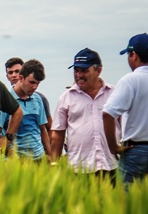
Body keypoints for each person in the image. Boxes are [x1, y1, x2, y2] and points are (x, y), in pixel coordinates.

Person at [50, 48, 120, 181]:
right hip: (79, 167)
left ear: (98, 70)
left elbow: (126, 126)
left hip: (111, 164)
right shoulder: (66, 98)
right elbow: (58, 134)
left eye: (84, 71)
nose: (79, 75)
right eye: (76, 70)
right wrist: (54, 163)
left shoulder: (114, 94)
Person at [103, 33, 148, 184]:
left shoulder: (131, 80)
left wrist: (114, 147)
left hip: (137, 150)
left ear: (134, 55)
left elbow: (108, 114)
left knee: (127, 203)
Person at [0, 59, 49, 160]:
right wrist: (14, 157)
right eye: (32, 82)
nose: (35, 87)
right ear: (21, 78)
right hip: (15, 161)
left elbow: (42, 129)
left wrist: (50, 155)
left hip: (38, 158)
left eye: (37, 84)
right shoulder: (5, 99)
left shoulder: (38, 99)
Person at [4, 57, 53, 132]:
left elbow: (48, 128)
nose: (14, 75)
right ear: (7, 76)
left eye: (17, 71)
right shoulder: (4, 100)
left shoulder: (39, 98)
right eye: (10, 72)